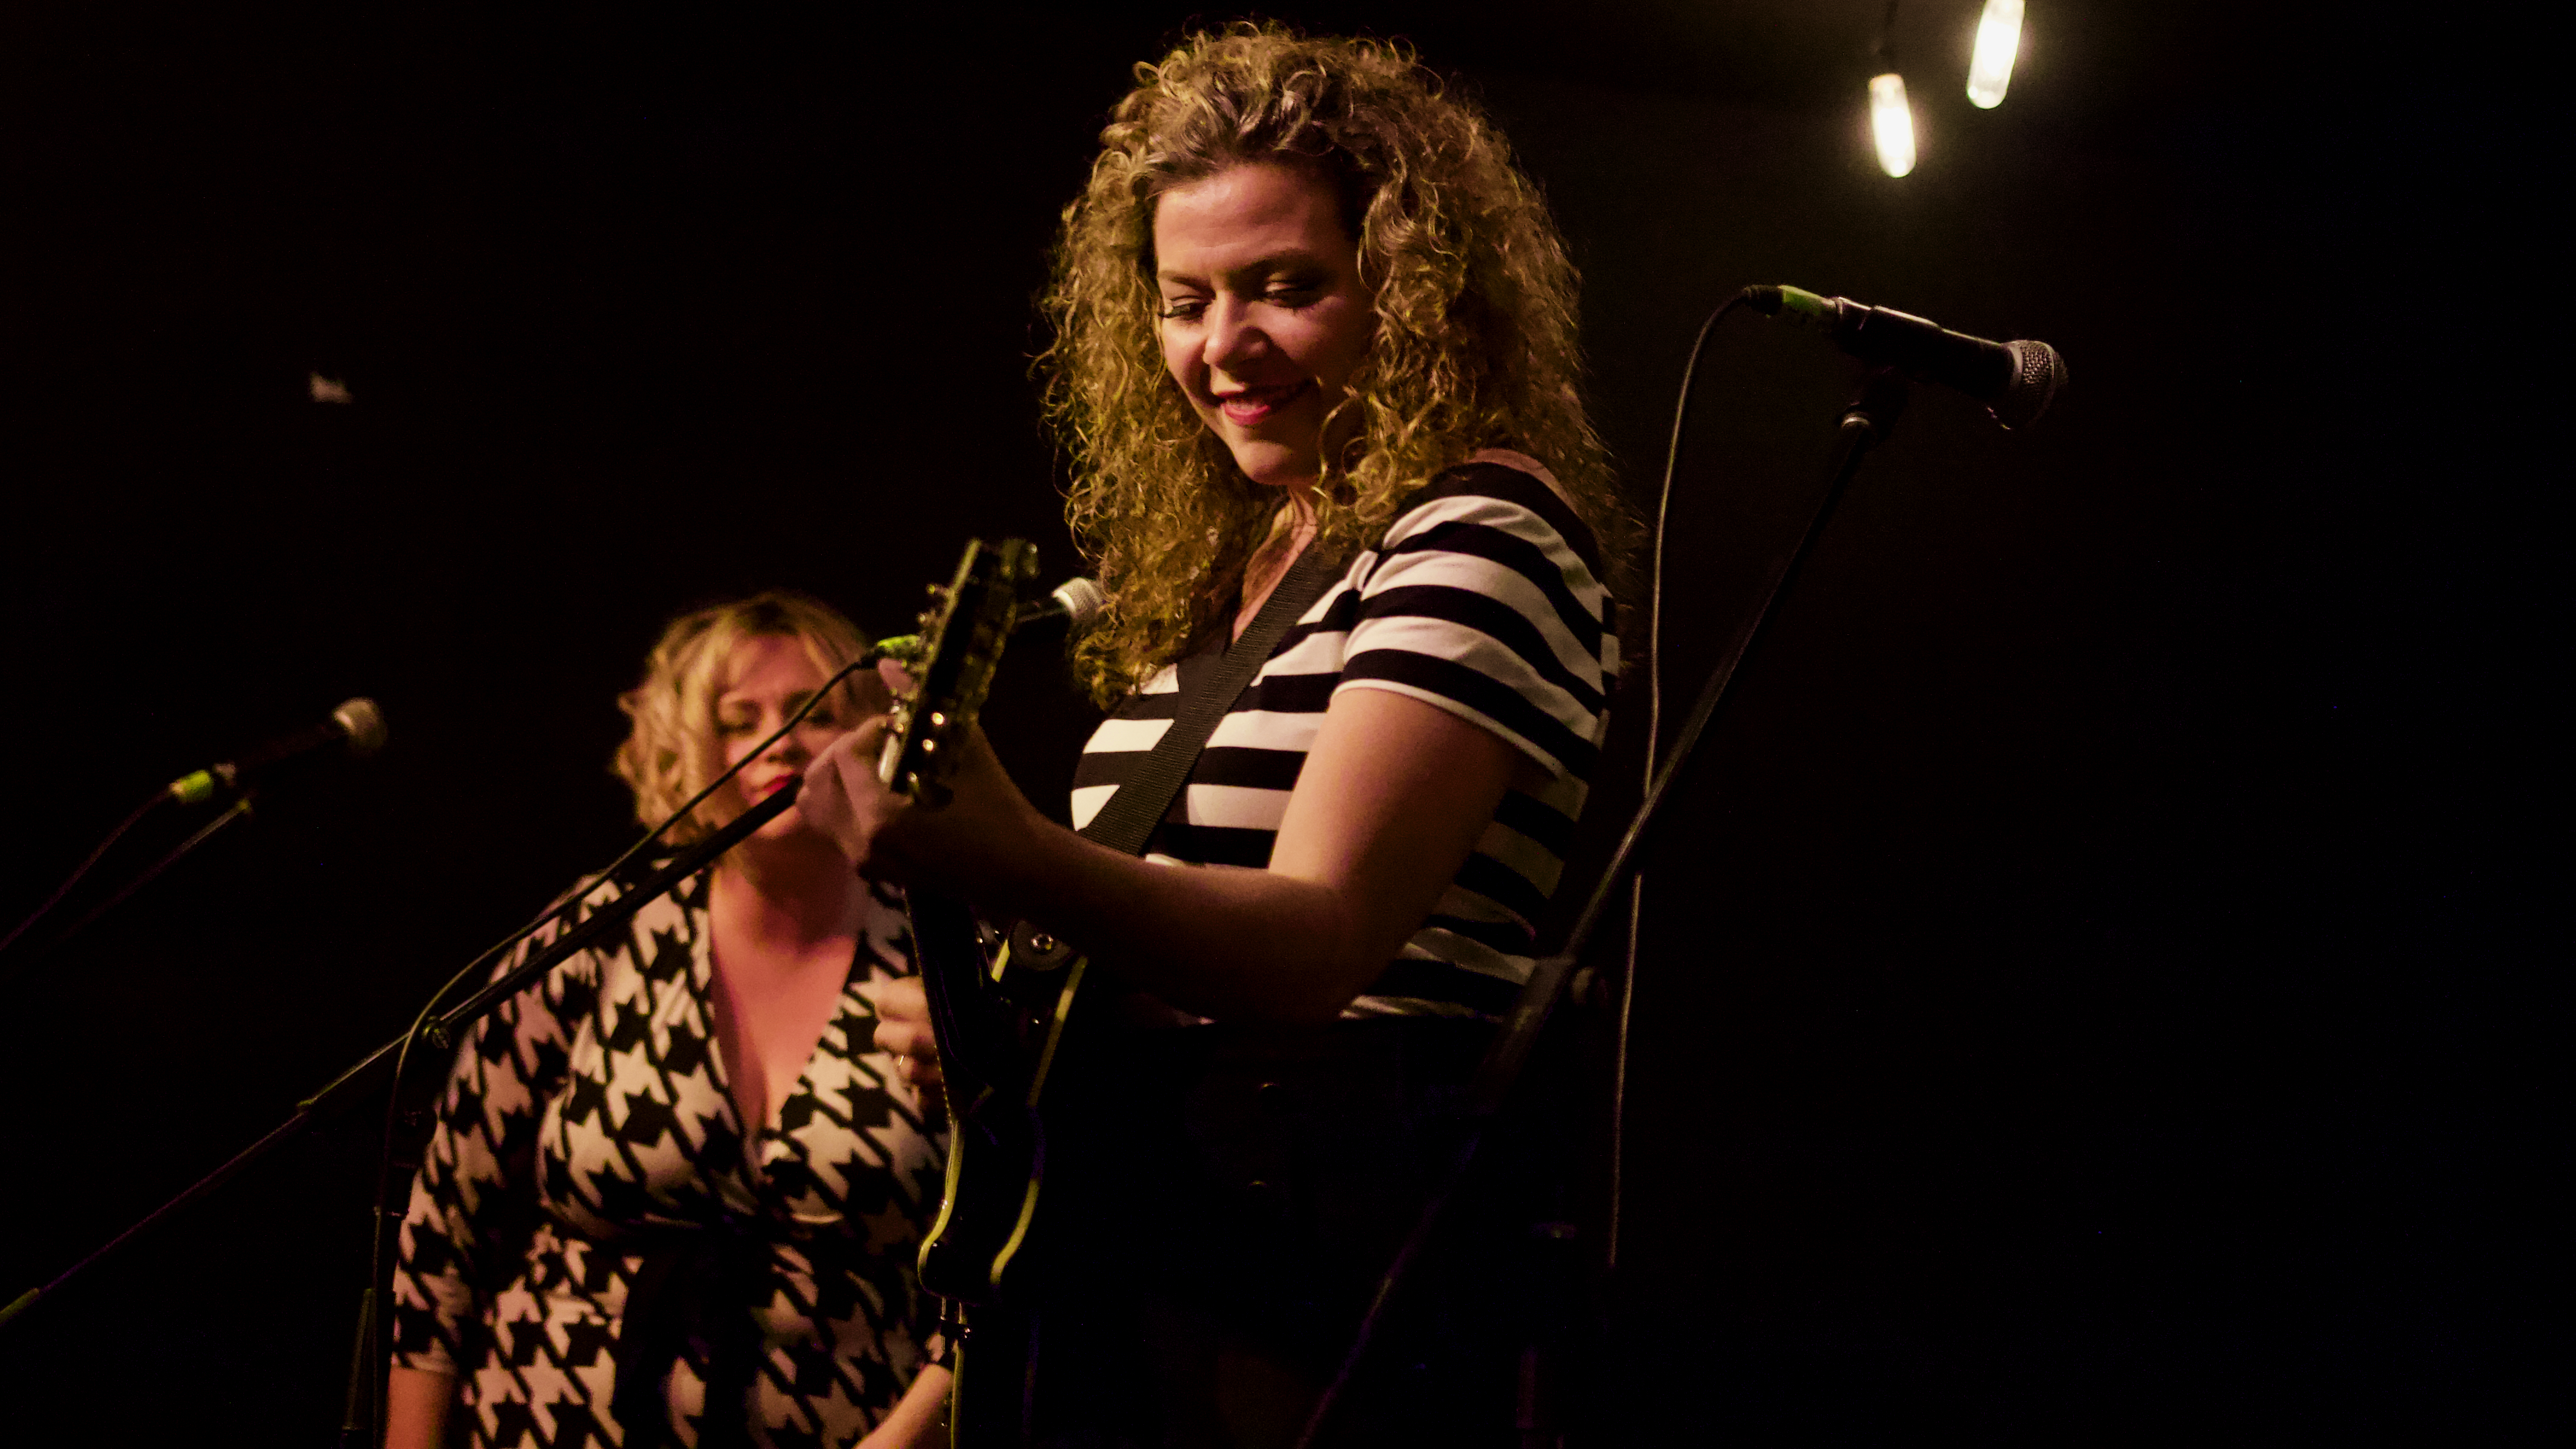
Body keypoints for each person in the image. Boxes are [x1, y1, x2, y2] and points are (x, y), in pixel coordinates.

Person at [801, 25, 1632, 1445]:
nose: (1220, 347)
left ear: (1412, 292)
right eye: (1182, 300)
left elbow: (1311, 941)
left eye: (1284, 289)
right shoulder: (1232, 575)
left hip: (1327, 1312)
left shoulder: (1477, 537)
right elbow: (1148, 1012)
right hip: (1152, 1296)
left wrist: (1007, 857)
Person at [386, 592, 953, 1449]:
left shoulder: (939, 953)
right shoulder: (597, 932)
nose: (781, 740)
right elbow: (439, 1245)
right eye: (738, 720)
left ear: (878, 736)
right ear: (687, 754)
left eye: (816, 714)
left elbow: (1010, 1268)